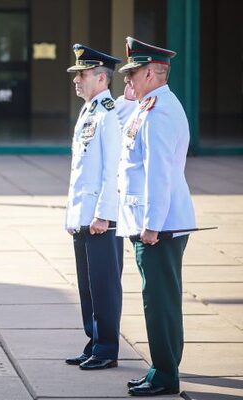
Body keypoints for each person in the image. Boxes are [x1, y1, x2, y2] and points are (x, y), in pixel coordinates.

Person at [117, 37, 196, 397]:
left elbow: (159, 172)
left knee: (159, 301)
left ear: (152, 72)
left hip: (159, 226)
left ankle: (165, 374)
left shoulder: (160, 111)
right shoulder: (150, 105)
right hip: (154, 222)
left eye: (133, 72)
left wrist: (151, 224)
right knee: (158, 298)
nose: (128, 79)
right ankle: (161, 368)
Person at [64, 44, 124, 370]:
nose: (76, 79)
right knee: (88, 286)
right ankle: (94, 342)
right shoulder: (89, 110)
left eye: (82, 74)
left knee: (104, 286)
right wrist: (75, 216)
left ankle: (107, 349)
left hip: (101, 217)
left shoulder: (109, 114)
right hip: (84, 216)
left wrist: (103, 214)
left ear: (101, 78)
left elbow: (112, 169)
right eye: (76, 74)